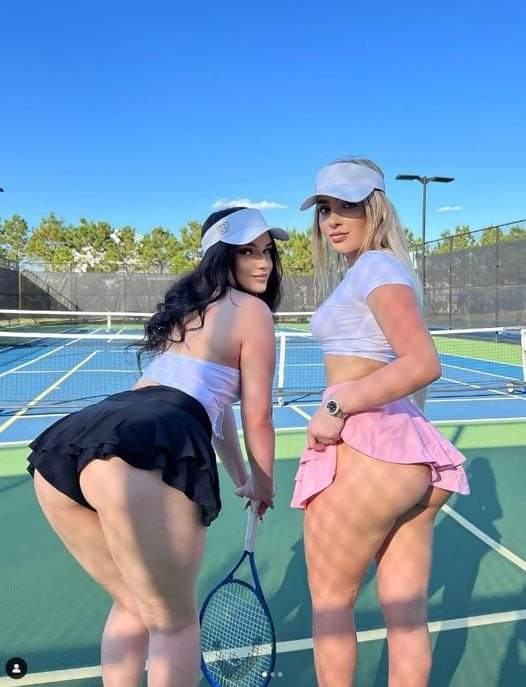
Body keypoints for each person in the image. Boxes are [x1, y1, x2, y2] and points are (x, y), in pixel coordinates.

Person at [27, 206, 288, 687]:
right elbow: (259, 417)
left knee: (132, 605)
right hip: (149, 445)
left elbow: (216, 410)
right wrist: (266, 485)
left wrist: (242, 478)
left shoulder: (187, 312)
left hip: (69, 444)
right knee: (175, 624)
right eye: (247, 252)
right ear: (220, 256)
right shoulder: (253, 312)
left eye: (267, 252)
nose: (263, 263)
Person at [290, 159, 470, 687]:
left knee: (330, 606)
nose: (333, 220)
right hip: (407, 455)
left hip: (366, 450)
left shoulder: (375, 268)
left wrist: (336, 408)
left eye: (348, 206)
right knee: (406, 616)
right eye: (325, 208)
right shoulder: (384, 268)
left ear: (377, 208)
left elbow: (422, 362)